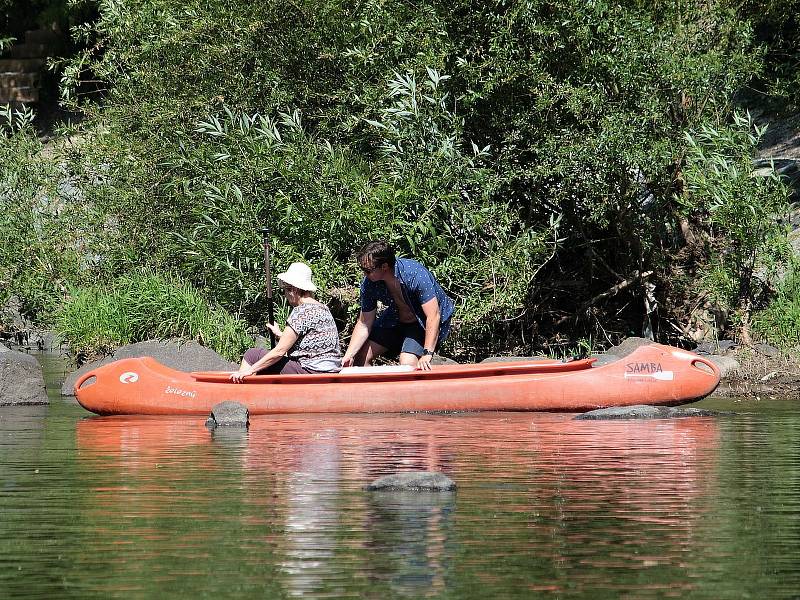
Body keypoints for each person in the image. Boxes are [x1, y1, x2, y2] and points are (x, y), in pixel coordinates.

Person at [342, 240, 454, 371]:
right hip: (394, 318)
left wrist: (427, 354)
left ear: (384, 266)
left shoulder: (414, 274)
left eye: (367, 270)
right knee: (361, 357)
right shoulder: (369, 283)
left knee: (407, 363)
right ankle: (374, 391)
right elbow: (364, 323)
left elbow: (433, 316)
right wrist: (348, 355)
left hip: (421, 322)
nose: (364, 274)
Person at [230, 262, 342, 382]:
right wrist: (280, 334)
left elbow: (279, 352)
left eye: (286, 290)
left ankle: (240, 394)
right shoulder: (324, 308)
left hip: (311, 371)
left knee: (252, 355)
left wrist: (251, 370)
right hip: (332, 370)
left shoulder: (301, 312)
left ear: (293, 289)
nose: (285, 295)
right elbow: (308, 344)